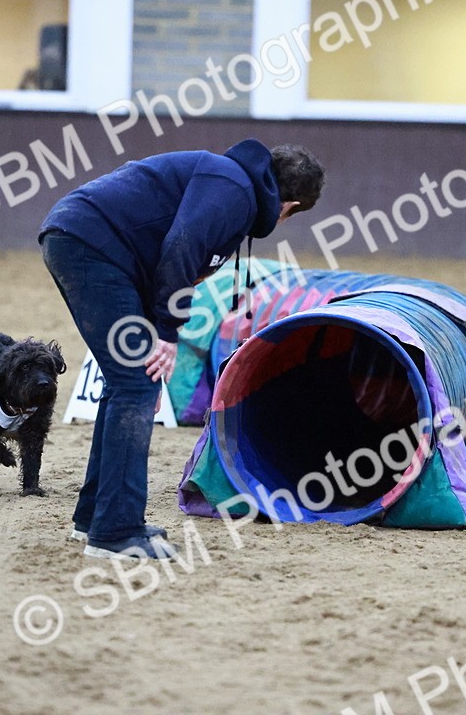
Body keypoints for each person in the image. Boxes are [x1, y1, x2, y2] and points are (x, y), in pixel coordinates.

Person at [39, 139, 325, 560]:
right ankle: (115, 532)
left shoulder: (231, 185)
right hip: (90, 244)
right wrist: (168, 335)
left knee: (131, 383)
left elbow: (169, 263)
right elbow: (181, 248)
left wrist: (157, 328)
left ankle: (96, 519)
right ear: (290, 206)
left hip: (85, 240)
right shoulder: (233, 190)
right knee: (135, 383)